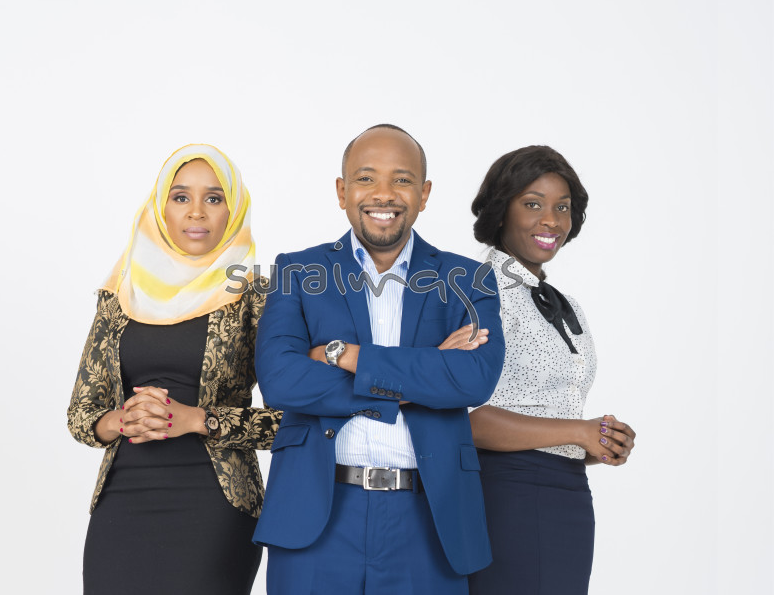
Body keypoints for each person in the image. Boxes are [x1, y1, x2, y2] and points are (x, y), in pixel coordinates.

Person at [252, 124, 505, 594]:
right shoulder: (297, 271)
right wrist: (423, 371)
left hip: (430, 522)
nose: (384, 194)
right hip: (316, 516)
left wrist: (342, 355)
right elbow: (281, 380)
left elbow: (473, 379)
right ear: (342, 191)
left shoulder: (469, 279)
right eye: (366, 178)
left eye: (402, 180)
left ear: (424, 194)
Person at [67, 144, 281, 595]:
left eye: (214, 198)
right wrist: (120, 420)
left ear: (234, 210)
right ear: (160, 207)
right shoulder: (120, 293)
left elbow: (289, 423)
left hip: (215, 505)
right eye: (181, 197)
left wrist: (198, 420)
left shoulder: (257, 296)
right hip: (122, 501)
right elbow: (81, 414)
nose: (196, 212)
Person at [466, 145, 637, 594]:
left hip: (569, 492)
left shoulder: (565, 303)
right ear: (501, 210)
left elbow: (550, 415)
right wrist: (579, 431)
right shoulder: (479, 291)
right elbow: (470, 420)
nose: (552, 221)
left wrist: (598, 443)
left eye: (562, 207)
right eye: (533, 204)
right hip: (510, 495)